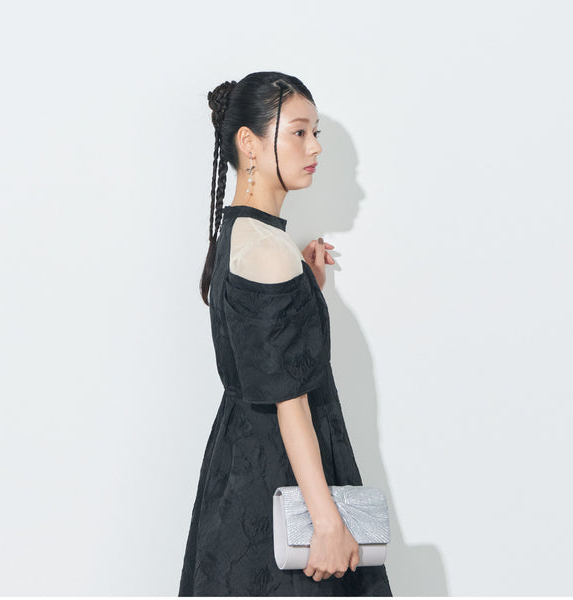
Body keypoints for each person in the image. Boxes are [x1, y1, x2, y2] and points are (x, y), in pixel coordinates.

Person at [178, 71, 392, 596]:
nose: (314, 147)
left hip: (242, 464)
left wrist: (305, 289)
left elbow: (262, 349)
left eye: (315, 132)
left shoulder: (241, 232)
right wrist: (326, 523)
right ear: (249, 143)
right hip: (283, 472)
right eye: (298, 132)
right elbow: (290, 402)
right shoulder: (268, 250)